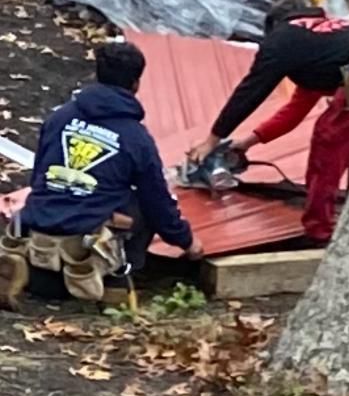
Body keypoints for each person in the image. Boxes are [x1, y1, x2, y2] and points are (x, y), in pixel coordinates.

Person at [0, 42, 202, 309]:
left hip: (38, 226)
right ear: (136, 83)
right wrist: (187, 242)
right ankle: (114, 281)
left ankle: (24, 265)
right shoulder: (136, 138)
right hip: (84, 247)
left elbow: (40, 178)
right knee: (143, 203)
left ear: (97, 75)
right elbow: (159, 204)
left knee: (54, 191)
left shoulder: (59, 118)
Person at [190, 7, 349, 246]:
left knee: (328, 145)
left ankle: (318, 231)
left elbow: (249, 92)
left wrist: (212, 140)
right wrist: (248, 142)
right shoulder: (321, 49)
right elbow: (294, 112)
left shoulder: (279, 45)